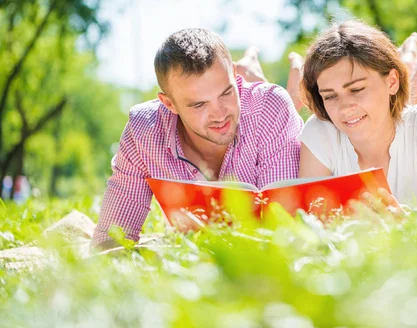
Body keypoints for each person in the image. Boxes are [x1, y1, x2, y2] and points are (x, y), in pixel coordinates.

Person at [91, 28, 303, 249]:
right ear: (169, 104)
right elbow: (111, 238)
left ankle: (251, 72)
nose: (220, 114)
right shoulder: (144, 130)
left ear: (233, 74)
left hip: (264, 112)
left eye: (226, 92)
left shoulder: (271, 107)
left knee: (277, 104)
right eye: (199, 104)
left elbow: (282, 228)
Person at [298, 21, 417, 214]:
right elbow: (311, 225)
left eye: (356, 89)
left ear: (392, 82)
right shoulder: (319, 132)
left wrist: (404, 228)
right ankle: (415, 79)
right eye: (330, 96)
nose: (345, 107)